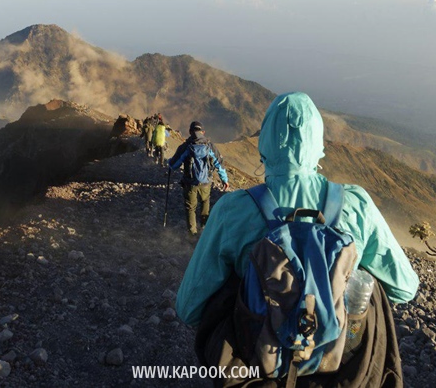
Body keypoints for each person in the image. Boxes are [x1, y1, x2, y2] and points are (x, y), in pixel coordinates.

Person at [176, 92, 419, 387]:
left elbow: (189, 308)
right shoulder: (356, 204)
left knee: (227, 284)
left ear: (264, 145)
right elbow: (405, 288)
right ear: (319, 145)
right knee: (373, 288)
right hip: (341, 369)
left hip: (257, 367)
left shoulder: (233, 210)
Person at [168, 121, 230, 235]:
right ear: (203, 132)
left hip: (190, 183)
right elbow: (219, 163)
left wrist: (169, 163)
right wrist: (225, 180)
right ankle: (204, 229)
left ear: (190, 132)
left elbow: (174, 165)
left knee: (190, 208)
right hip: (206, 182)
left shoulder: (186, 146)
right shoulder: (209, 145)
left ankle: (192, 233)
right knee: (205, 202)